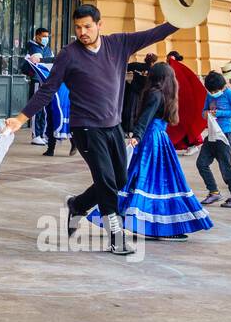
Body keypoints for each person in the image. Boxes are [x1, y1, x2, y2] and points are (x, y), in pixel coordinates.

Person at [4, 4, 178, 256]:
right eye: (78, 27)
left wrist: (184, 16)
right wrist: (21, 119)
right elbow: (48, 89)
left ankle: (78, 204)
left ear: (99, 24)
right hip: (85, 127)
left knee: (118, 179)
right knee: (107, 182)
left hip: (113, 125)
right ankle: (116, 236)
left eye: (87, 26)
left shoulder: (119, 44)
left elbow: (156, 33)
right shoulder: (69, 54)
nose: (82, 32)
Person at [87, 62, 213, 241]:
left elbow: (145, 118)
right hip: (159, 138)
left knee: (143, 179)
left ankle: (142, 223)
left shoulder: (154, 93)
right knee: (157, 182)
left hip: (151, 139)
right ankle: (156, 226)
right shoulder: (168, 94)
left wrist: (137, 135)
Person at [196, 70, 231, 208]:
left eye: (216, 90)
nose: (213, 93)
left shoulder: (229, 94)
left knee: (225, 167)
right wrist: (206, 113)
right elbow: (203, 111)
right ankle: (214, 191)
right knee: (202, 163)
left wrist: (221, 113)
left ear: (222, 87)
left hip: (225, 134)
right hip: (212, 134)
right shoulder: (209, 95)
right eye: (211, 90)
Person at [25, 52, 74, 157]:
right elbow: (53, 60)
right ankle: (51, 148)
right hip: (51, 93)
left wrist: (40, 60)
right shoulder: (60, 59)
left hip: (64, 94)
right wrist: (38, 60)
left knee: (66, 119)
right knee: (51, 119)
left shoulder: (72, 59)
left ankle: (74, 143)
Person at [166, 52, 207, 154]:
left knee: (187, 124)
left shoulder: (180, 71)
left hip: (183, 103)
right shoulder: (179, 70)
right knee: (180, 125)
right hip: (177, 103)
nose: (167, 62)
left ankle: (194, 143)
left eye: (168, 60)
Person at [23, 27, 54, 145]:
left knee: (45, 109)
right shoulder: (33, 47)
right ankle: (36, 135)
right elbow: (38, 62)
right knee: (37, 108)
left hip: (46, 81)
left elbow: (50, 61)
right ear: (37, 36)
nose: (46, 39)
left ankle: (43, 134)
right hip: (37, 80)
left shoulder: (46, 48)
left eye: (47, 36)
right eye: (43, 36)